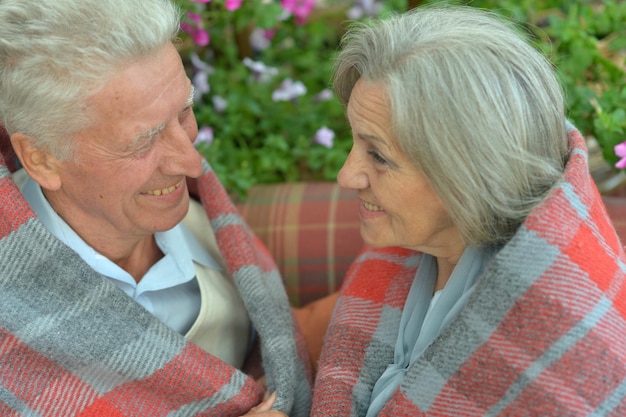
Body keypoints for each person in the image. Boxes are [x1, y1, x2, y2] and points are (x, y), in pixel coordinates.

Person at [309, 5, 626, 416]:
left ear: (468, 173)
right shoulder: (413, 248)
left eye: (379, 156)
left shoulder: (554, 353)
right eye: (354, 143)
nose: (347, 175)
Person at [0, 0, 310, 416]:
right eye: (143, 141)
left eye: (184, 112)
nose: (192, 163)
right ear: (41, 158)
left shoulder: (217, 237)